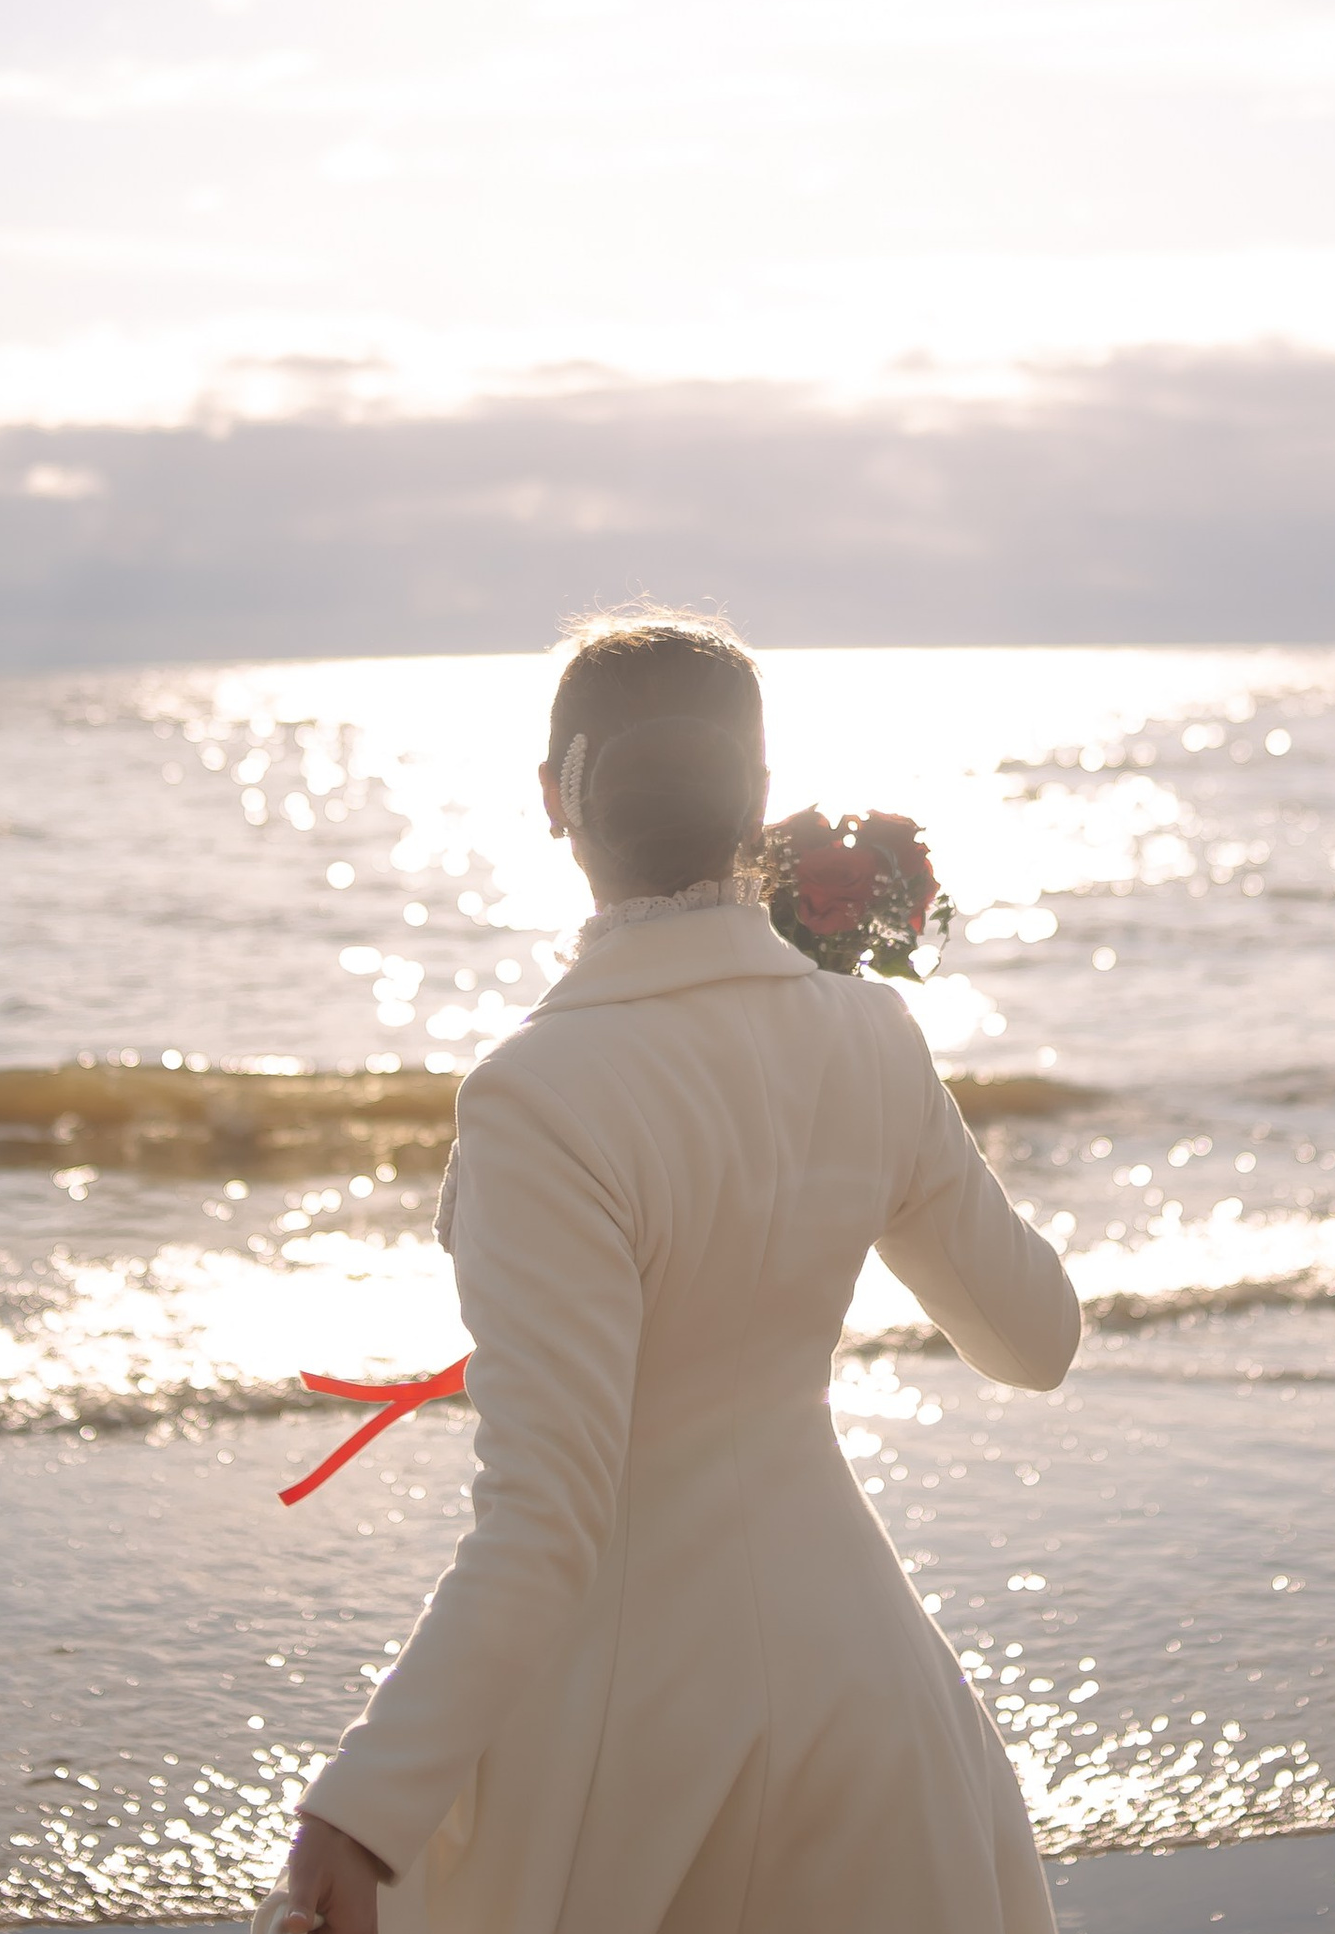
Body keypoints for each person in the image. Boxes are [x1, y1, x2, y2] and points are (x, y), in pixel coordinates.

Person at [277, 612, 1081, 1934]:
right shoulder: (871, 1036)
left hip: (637, 1744)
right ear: (757, 805)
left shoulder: (538, 1092)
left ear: (554, 801)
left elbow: (551, 1510)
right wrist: (835, 1042)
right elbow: (1034, 1340)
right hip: (868, 1708)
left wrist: (363, 1806)